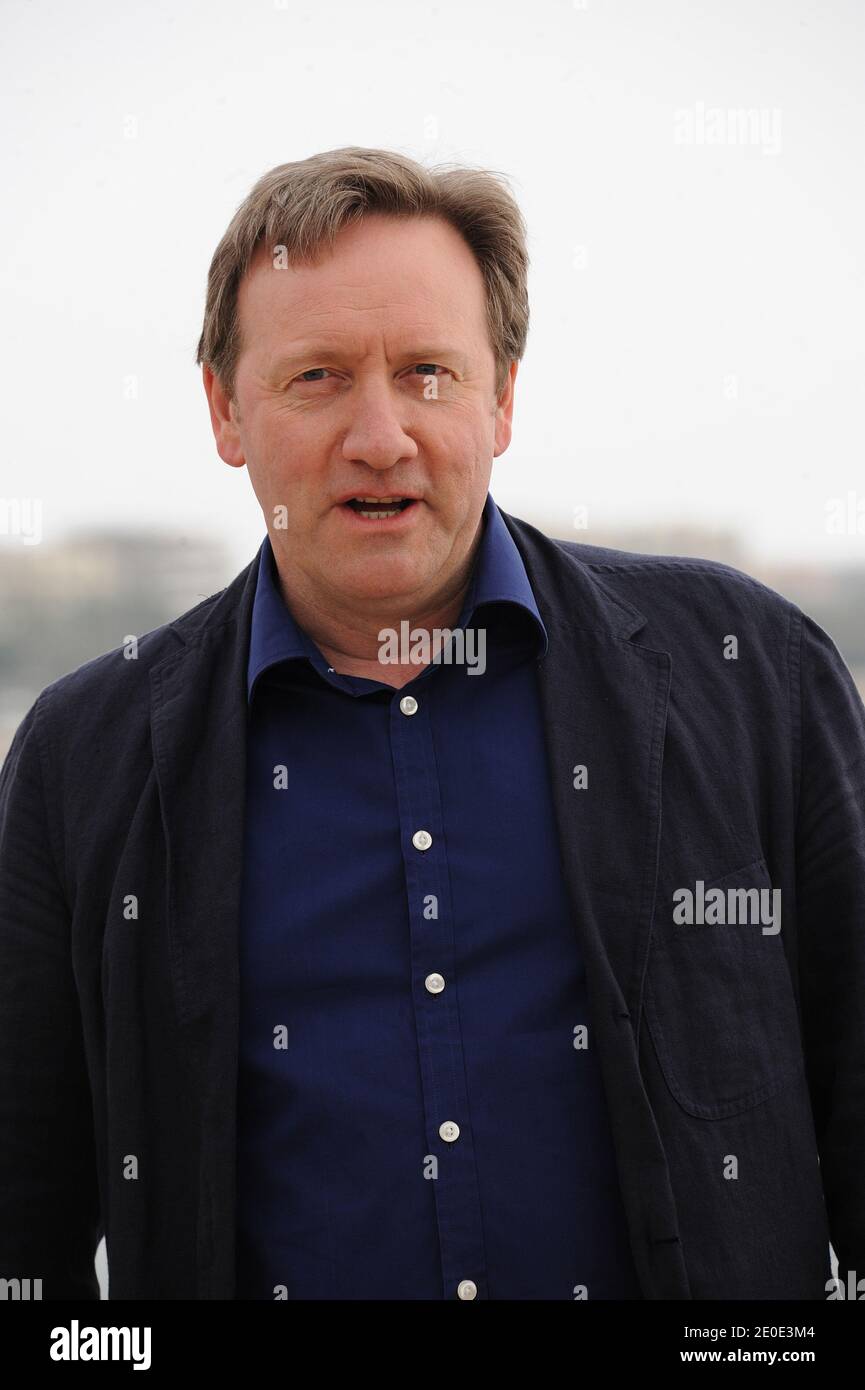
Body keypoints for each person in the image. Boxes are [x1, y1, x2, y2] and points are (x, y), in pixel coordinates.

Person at [1, 147, 862, 1301]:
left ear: (501, 397)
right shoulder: (81, 758)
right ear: (224, 408)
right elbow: (25, 1231)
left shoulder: (753, 676)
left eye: (427, 373)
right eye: (316, 377)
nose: (380, 436)